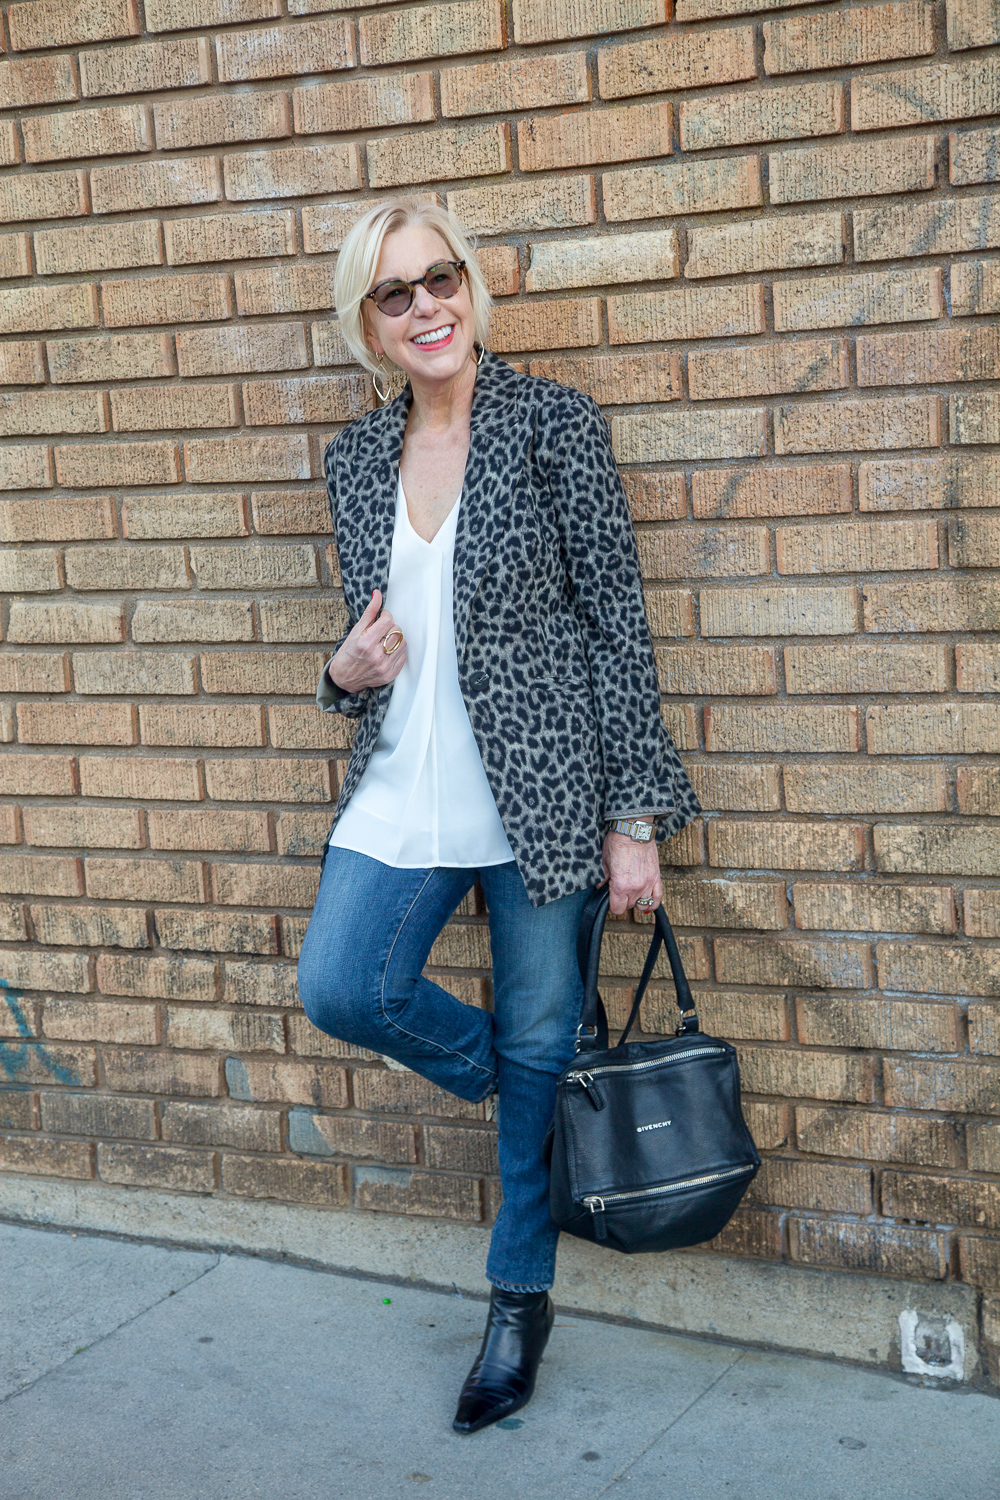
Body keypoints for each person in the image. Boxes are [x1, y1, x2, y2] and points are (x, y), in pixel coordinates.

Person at [296, 197, 700, 1434]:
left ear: (472, 288)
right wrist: (339, 675)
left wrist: (633, 817)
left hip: (545, 799)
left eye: (440, 280)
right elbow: (374, 637)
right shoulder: (355, 460)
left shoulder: (553, 427)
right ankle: (536, 1085)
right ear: (367, 324)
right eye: (395, 294)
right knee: (344, 987)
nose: (426, 308)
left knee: (536, 1028)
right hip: (400, 790)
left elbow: (617, 630)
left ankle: (517, 1297)